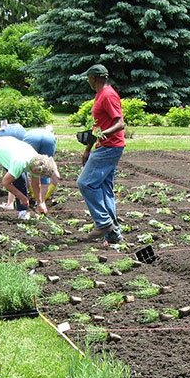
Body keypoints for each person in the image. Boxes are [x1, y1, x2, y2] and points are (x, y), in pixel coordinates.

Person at [77, 64, 125, 245]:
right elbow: (98, 125)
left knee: (85, 183)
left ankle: (104, 223)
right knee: (105, 190)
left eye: (88, 78)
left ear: (94, 78)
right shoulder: (100, 95)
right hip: (105, 145)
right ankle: (114, 235)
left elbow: (120, 123)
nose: (88, 81)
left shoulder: (108, 95)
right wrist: (88, 147)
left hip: (110, 147)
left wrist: (104, 135)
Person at [0, 123, 57, 209]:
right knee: (21, 174)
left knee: (21, 174)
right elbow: (6, 182)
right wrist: (22, 197)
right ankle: (34, 203)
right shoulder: (21, 162)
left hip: (29, 143)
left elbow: (35, 180)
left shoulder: (35, 159)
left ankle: (10, 203)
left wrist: (38, 201)